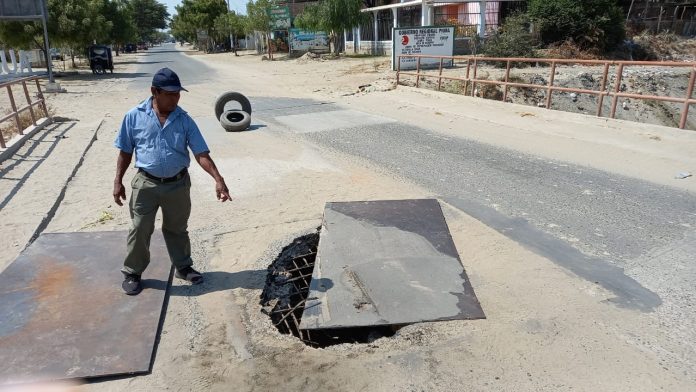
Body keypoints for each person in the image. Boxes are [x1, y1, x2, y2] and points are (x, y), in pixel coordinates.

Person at [113, 67, 231, 295]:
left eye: (178, 93)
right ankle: (132, 273)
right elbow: (125, 151)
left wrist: (218, 179)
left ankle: (183, 267)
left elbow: (201, 153)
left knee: (177, 229)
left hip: (177, 185)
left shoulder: (184, 119)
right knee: (140, 228)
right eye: (170, 94)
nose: (175, 98)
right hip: (146, 184)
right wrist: (118, 181)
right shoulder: (133, 116)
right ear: (154, 92)